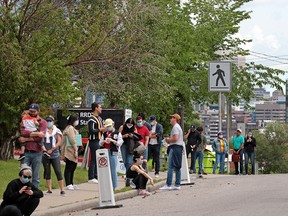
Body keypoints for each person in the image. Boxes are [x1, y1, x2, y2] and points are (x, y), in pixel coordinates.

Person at [18, 103, 47, 188]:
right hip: (26, 152)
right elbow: (23, 132)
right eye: (31, 111)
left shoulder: (43, 122)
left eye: (34, 111)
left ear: (38, 111)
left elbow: (41, 137)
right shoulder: (25, 119)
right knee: (24, 174)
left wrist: (26, 138)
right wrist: (36, 133)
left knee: (36, 176)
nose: (32, 113)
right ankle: (23, 193)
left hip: (37, 152)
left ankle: (34, 194)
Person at [42, 115, 65, 196]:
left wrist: (52, 149)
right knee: (47, 171)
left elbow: (59, 142)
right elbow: (41, 141)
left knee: (58, 171)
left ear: (53, 121)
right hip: (45, 154)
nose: (49, 122)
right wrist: (45, 150)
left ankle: (62, 190)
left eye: (50, 121)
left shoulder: (57, 131)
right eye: (47, 121)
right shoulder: (43, 131)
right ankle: (49, 189)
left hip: (54, 154)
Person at [160, 114, 183, 190]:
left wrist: (168, 140)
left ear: (175, 119)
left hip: (174, 147)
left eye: (171, 118)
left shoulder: (175, 127)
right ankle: (177, 184)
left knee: (170, 166)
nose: (170, 119)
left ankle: (168, 184)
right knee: (177, 167)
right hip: (179, 147)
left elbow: (175, 138)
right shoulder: (178, 127)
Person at [99, 118, 123, 190]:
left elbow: (119, 143)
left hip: (113, 152)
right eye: (107, 126)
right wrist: (104, 141)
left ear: (113, 124)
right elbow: (100, 143)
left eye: (109, 126)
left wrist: (113, 141)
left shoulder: (117, 133)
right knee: (105, 169)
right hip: (105, 151)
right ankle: (107, 185)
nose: (108, 128)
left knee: (113, 170)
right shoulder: (105, 133)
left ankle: (114, 186)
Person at [87, 102, 106, 184]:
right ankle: (91, 177)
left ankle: (96, 175)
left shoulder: (100, 118)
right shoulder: (91, 119)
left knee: (98, 159)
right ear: (96, 108)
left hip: (100, 140)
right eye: (100, 107)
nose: (101, 108)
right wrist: (100, 130)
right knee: (94, 159)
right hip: (94, 141)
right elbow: (91, 131)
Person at [120, 118, 142, 186]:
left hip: (131, 146)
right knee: (125, 161)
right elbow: (118, 136)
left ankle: (128, 178)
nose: (129, 125)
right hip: (123, 145)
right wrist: (124, 136)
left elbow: (137, 137)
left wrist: (132, 136)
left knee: (129, 162)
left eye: (131, 124)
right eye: (128, 124)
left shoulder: (134, 128)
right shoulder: (122, 127)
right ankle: (130, 175)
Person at [61, 114, 80, 190]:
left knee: (73, 166)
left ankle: (71, 183)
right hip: (69, 150)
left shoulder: (72, 128)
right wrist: (75, 150)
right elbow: (72, 140)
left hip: (73, 149)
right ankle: (68, 183)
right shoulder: (70, 128)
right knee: (69, 166)